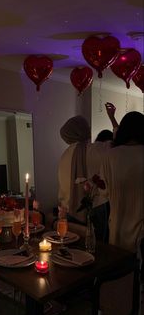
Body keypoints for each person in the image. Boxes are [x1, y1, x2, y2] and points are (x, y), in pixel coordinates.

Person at [58, 103, 118, 241]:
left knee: (75, 249)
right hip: (96, 209)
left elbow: (62, 190)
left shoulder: (63, 156)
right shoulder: (97, 149)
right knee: (99, 250)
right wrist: (112, 118)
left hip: (70, 210)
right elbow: (119, 145)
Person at [100, 111, 144, 253]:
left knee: (119, 268)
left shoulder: (110, 156)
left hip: (117, 226)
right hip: (141, 228)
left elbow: (103, 192)